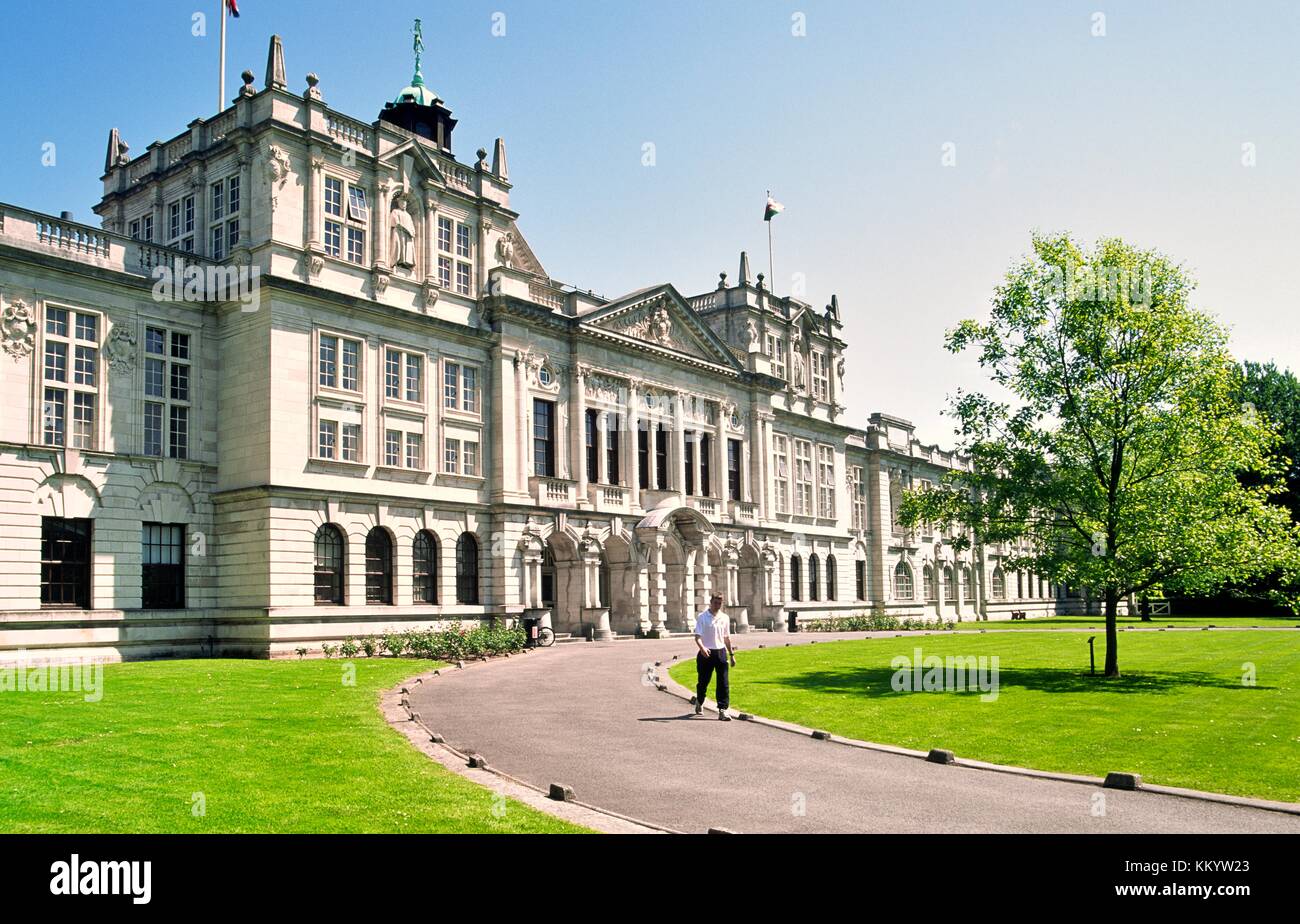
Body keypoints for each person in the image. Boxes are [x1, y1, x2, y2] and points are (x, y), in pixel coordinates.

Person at [693, 593, 735, 721]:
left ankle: (723, 710)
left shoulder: (725, 617)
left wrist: (731, 655)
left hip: (721, 652)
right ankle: (699, 701)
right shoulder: (702, 617)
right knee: (703, 681)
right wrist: (702, 648)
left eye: (720, 603)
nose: (717, 605)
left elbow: (726, 637)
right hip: (706, 653)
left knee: (723, 683)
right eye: (715, 602)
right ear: (711, 602)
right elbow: (697, 636)